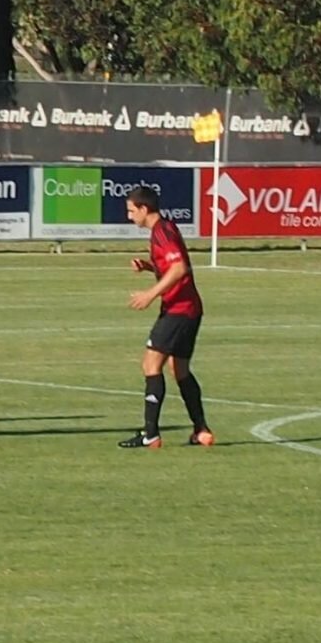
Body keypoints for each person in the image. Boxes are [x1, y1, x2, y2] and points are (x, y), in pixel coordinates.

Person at [120, 184, 213, 449]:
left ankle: (150, 434)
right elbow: (173, 267)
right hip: (190, 310)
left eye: (131, 211)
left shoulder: (161, 232)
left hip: (178, 310)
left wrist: (150, 294)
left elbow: (180, 268)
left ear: (143, 208)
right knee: (179, 369)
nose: (129, 216)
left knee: (150, 365)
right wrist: (150, 267)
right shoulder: (167, 228)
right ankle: (201, 430)